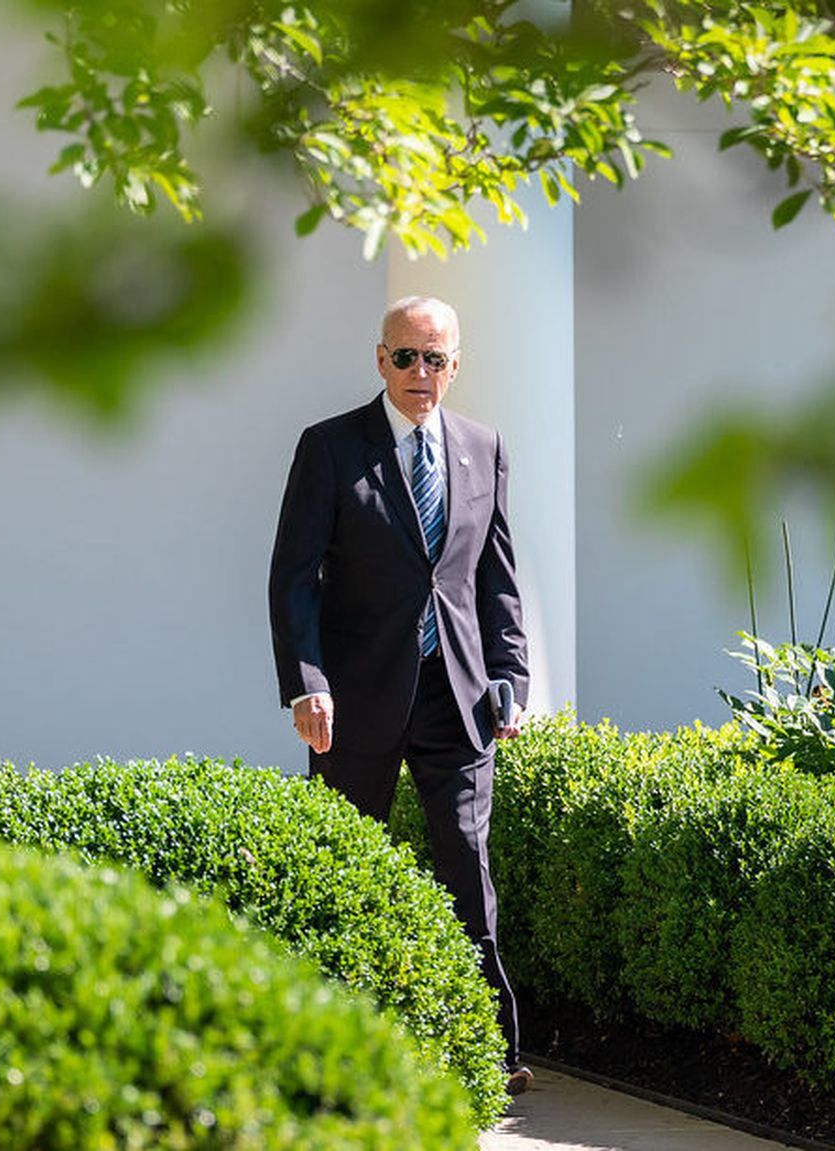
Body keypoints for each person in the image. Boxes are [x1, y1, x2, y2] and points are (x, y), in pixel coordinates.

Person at [267, 295, 533, 1095]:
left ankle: (490, 1051)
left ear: (457, 365)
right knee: (347, 867)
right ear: (380, 360)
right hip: (353, 699)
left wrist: (512, 677)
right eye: (407, 357)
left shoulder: (483, 448)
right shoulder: (329, 448)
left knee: (466, 864)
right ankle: (330, 1044)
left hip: (456, 697)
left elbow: (496, 577)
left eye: (437, 358)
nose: (422, 373)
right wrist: (306, 685)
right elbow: (293, 578)